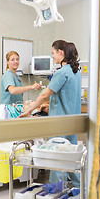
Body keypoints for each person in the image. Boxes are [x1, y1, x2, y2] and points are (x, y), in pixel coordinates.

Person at [19, 40, 82, 186]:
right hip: (73, 122)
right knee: (71, 158)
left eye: (53, 53)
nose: (52, 56)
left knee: (57, 161)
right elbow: (65, 96)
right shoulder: (76, 72)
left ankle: (56, 192)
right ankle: (79, 190)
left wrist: (29, 110)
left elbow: (44, 95)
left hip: (59, 124)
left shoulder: (62, 73)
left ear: (60, 52)